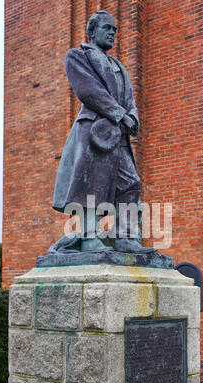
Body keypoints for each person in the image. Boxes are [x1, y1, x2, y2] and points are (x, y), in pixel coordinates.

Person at [51, 10, 155, 254]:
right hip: (93, 130)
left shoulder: (119, 66)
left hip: (117, 134)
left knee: (131, 182)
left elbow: (130, 99)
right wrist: (120, 114)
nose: (112, 33)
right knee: (92, 186)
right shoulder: (78, 56)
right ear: (92, 31)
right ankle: (88, 238)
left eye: (115, 30)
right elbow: (89, 91)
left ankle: (127, 238)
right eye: (107, 28)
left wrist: (132, 119)